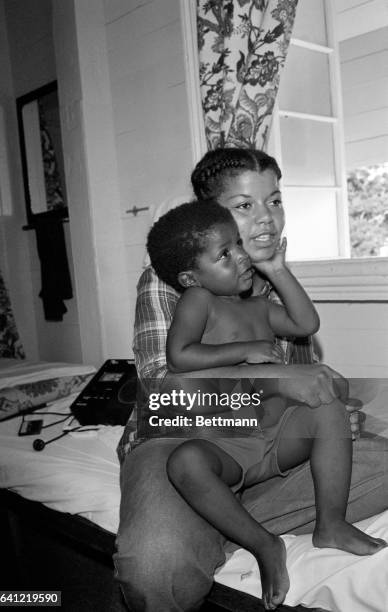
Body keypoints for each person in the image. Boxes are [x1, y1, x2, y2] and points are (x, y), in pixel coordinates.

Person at [114, 148, 388, 612]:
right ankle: (211, 523)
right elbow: (163, 391)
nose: (266, 220)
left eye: (275, 201)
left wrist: (328, 416)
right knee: (155, 571)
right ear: (210, 216)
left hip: (262, 441)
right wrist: (280, 380)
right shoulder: (170, 281)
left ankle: (220, 519)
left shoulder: (268, 279)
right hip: (180, 436)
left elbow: (302, 370)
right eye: (245, 206)